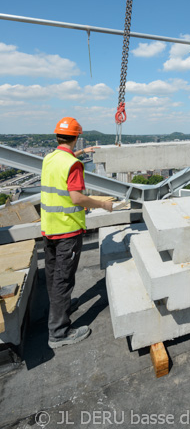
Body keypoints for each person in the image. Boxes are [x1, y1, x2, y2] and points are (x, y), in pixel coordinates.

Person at [41, 116, 113, 348]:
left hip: (50, 227)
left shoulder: (50, 158)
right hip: (68, 230)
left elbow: (64, 164)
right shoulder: (73, 165)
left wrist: (83, 152)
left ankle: (57, 310)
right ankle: (59, 333)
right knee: (64, 280)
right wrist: (102, 204)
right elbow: (76, 198)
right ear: (77, 137)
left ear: (57, 136)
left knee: (53, 276)